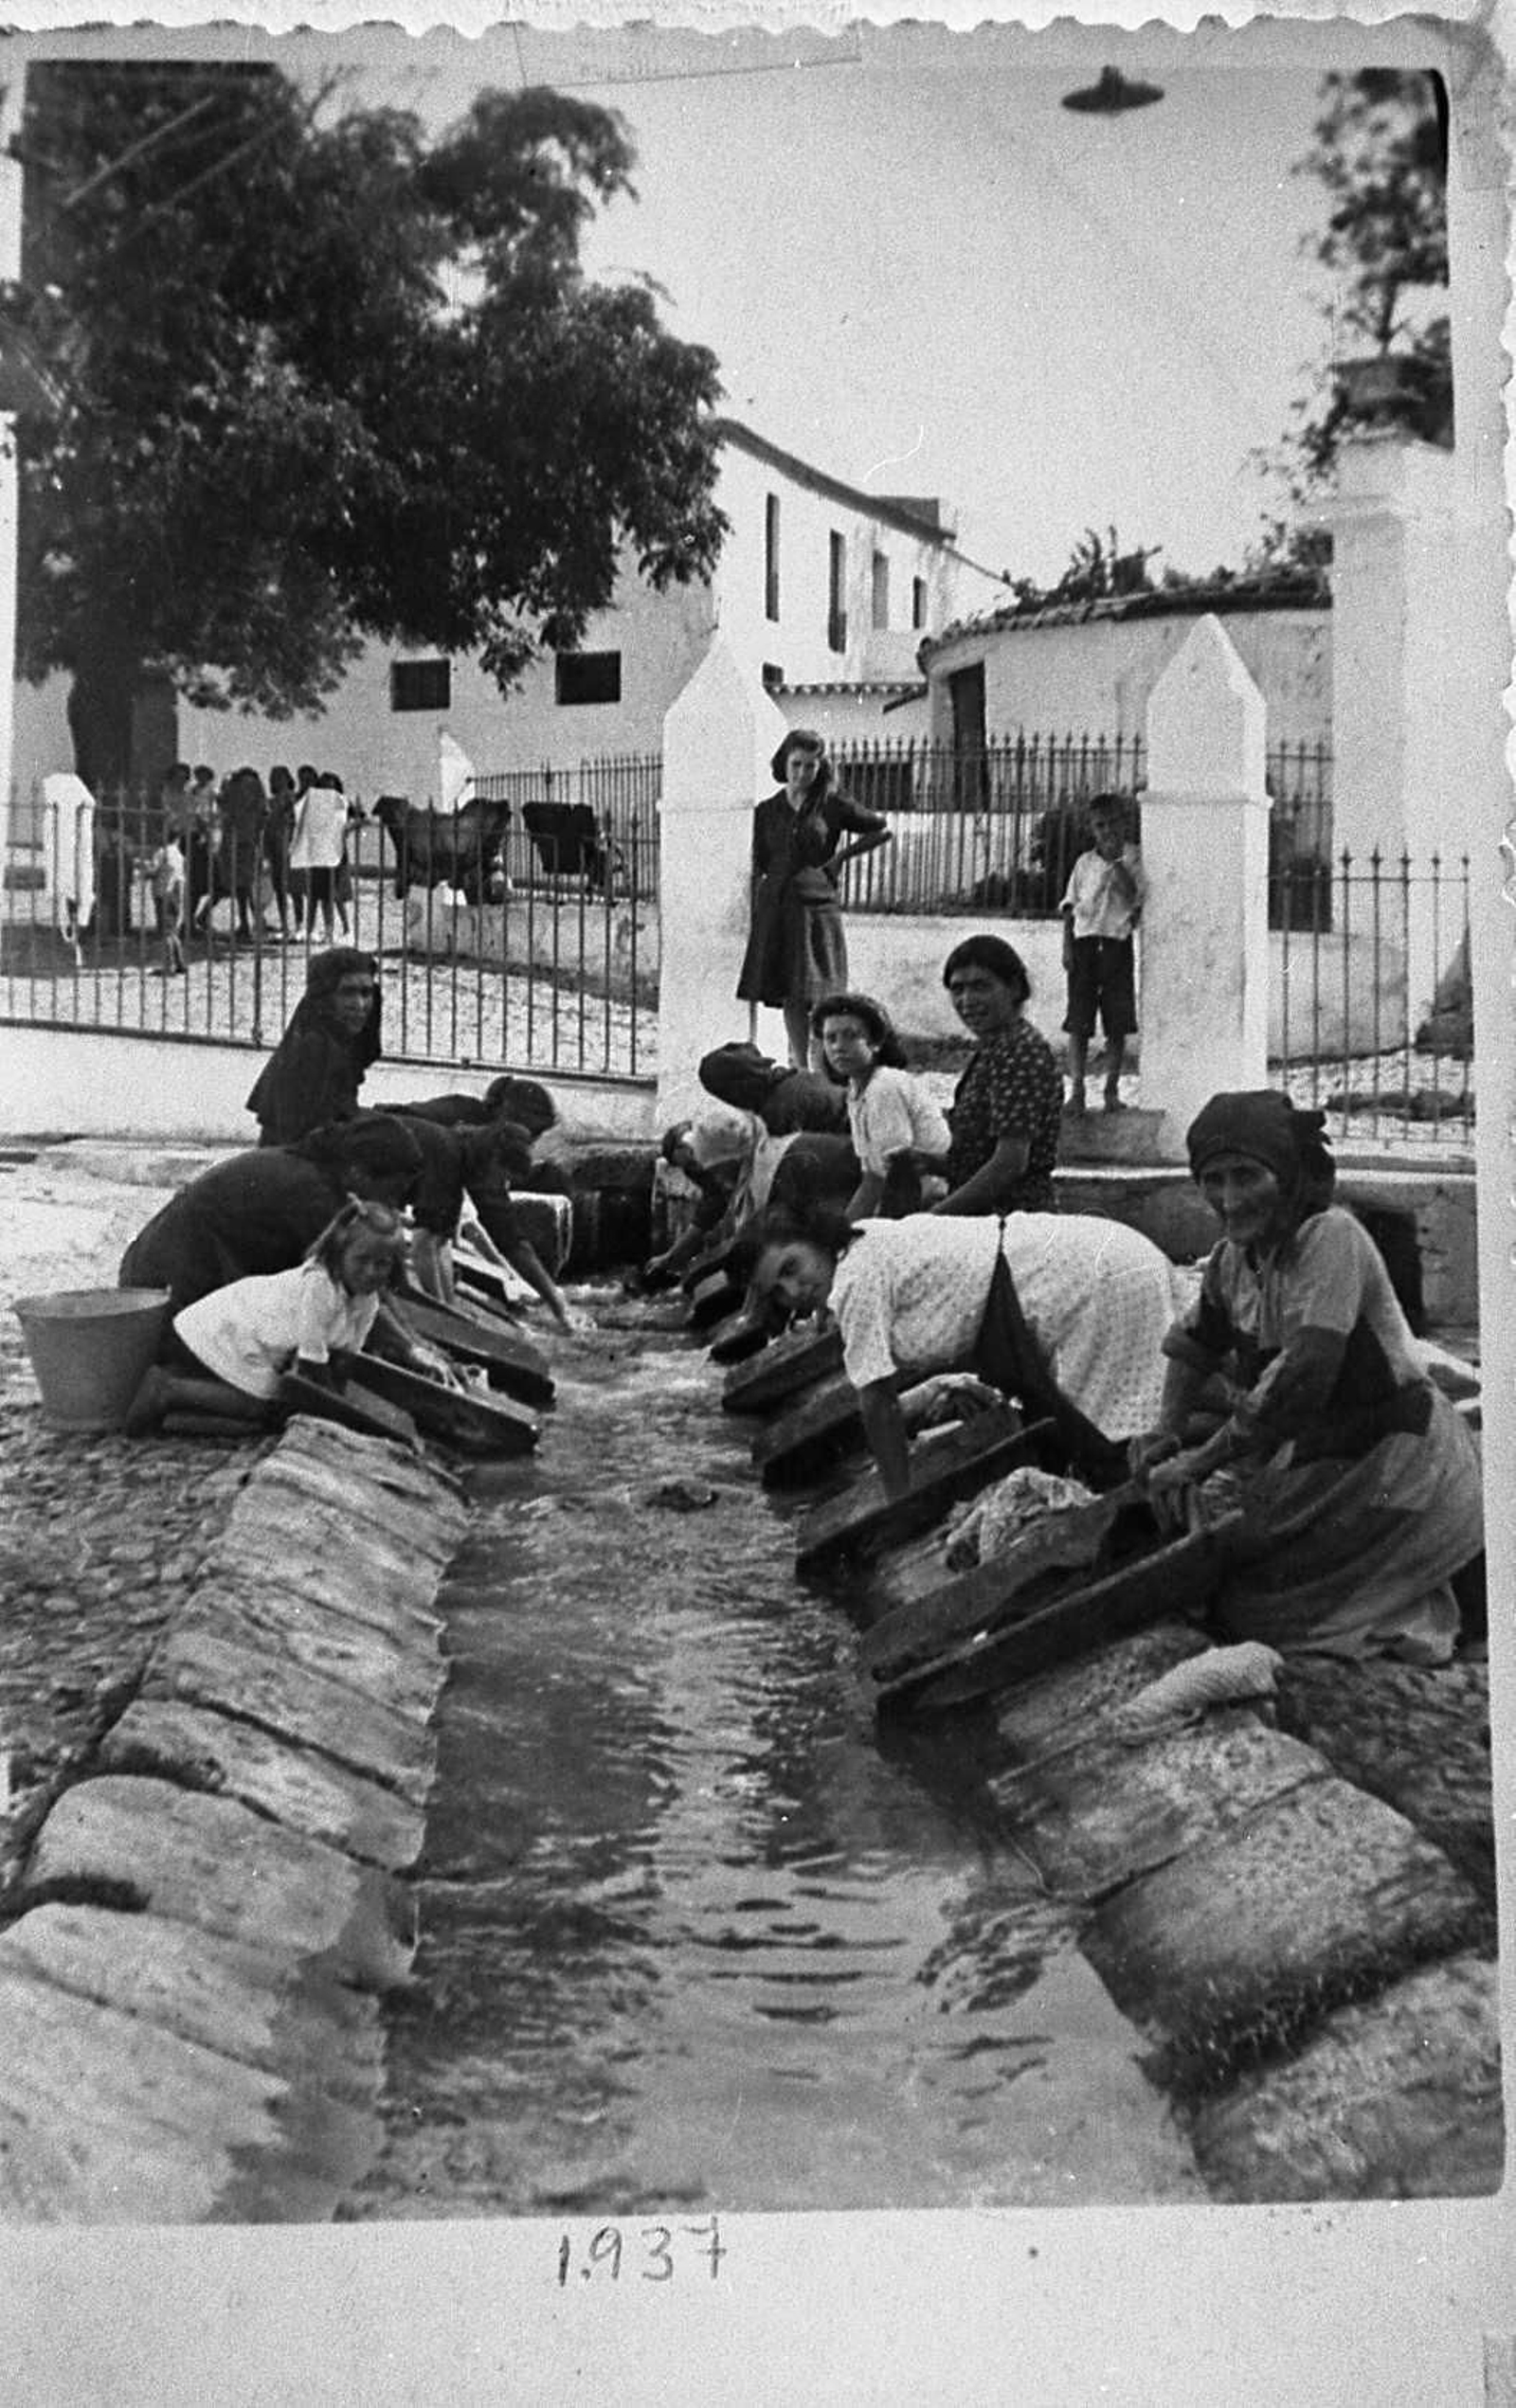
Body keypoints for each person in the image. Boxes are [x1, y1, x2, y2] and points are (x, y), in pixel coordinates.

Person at [1131, 1089, 1484, 1662]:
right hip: (1318, 1456)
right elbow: (1194, 1345)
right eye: (1212, 1180)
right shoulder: (1229, 1261)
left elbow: (1300, 1377)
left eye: (1247, 1176)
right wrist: (1164, 1431)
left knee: (1275, 1615)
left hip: (1395, 1458)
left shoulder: (1330, 1239)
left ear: (1290, 1175)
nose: (1230, 1198)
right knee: (1242, 1594)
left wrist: (1196, 1461)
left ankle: (1460, 1612)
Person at [750, 1193, 1184, 1499]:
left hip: (1083, 1277)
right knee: (1158, 1394)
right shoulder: (866, 1242)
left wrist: (898, 1500)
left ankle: (1154, 1511)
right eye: (780, 1291)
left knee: (1110, 1435)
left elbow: (878, 1403)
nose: (795, 1287)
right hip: (1089, 1253)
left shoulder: (855, 1278)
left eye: (793, 1266)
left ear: (817, 1240)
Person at [124, 1197, 443, 1435]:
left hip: (261, 1344)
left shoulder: (367, 1300)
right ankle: (167, 1389)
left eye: (383, 1264)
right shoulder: (320, 1286)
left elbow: (345, 1361)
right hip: (223, 1330)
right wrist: (341, 1415)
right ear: (339, 1253)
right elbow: (313, 1365)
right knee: (260, 1405)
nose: (371, 1272)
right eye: (362, 1260)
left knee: (267, 1420)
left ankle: (176, 1420)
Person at [118, 1115, 424, 1313]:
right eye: (392, 1191)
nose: (395, 1203)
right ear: (359, 1172)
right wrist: (411, 1347)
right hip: (163, 1292)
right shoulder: (314, 1194)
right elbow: (346, 1284)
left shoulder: (319, 1169)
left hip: (158, 1269)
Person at [735, 729, 891, 1070]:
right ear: (783, 763)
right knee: (790, 993)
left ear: (820, 768)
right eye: (796, 764)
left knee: (822, 994)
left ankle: (824, 1069)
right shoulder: (766, 810)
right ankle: (801, 1067)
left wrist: (839, 858)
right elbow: (760, 861)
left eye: (810, 766)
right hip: (777, 907)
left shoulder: (832, 804)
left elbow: (881, 828)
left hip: (817, 906)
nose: (802, 773)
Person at [401, 1113, 583, 1331]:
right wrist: (444, 1316)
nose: (500, 1186)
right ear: (493, 1159)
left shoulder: (466, 1160)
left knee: (439, 1239)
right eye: (502, 1178)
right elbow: (422, 1246)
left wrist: (450, 1308)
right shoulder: (447, 1159)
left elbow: (445, 1244)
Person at [934, 935, 1063, 1214]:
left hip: (1010, 1221)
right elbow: (979, 1156)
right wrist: (928, 1162)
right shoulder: (997, 1047)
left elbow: (1010, 1164)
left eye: (981, 987)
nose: (967, 1001)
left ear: (1014, 988)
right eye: (958, 989)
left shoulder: (1018, 1051)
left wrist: (932, 1220)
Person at [812, 991, 951, 1219]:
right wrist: (844, 1232)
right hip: (906, 1192)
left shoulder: (883, 1086)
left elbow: (899, 1174)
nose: (838, 1047)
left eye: (850, 1036)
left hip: (932, 1196)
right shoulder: (856, 1091)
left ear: (875, 1043)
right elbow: (872, 1178)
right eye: (831, 1038)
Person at [245, 947, 382, 1146]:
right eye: (348, 993)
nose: (360, 1005)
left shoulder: (339, 1040)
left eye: (366, 993)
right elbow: (310, 1137)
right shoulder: (314, 1046)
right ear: (325, 998)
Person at [1060, 792, 1145, 1115]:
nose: (1107, 831)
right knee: (1079, 1022)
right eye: (1100, 825)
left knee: (1117, 1021)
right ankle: (1077, 1089)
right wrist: (1067, 946)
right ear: (1091, 829)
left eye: (1112, 824)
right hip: (1084, 945)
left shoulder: (1133, 857)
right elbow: (1070, 907)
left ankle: (1111, 1088)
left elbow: (1133, 895)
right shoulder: (1084, 863)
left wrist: (1117, 862)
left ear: (1124, 824)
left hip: (1115, 944)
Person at [288, 767, 350, 945]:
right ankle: (310, 930)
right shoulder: (314, 803)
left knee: (331, 896)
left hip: (334, 854)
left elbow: (351, 819)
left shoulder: (340, 802)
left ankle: (337, 930)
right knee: (315, 896)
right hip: (317, 855)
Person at [147, 830, 187, 977]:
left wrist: (143, 872)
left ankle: (168, 965)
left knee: (165, 931)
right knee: (172, 930)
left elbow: (153, 870)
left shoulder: (161, 852)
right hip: (176, 893)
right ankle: (180, 963)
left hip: (163, 893)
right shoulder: (179, 854)